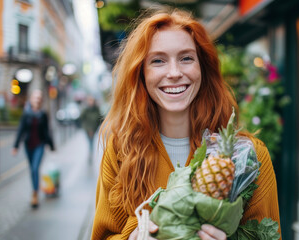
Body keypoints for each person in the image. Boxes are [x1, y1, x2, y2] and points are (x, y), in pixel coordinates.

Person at [91, 9, 281, 240]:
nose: (174, 73)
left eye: (186, 58)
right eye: (158, 60)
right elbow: (103, 235)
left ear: (203, 68)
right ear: (141, 73)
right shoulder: (120, 150)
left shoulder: (248, 157)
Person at [12, 89, 55, 208]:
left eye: (39, 98)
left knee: (35, 168)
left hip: (39, 145)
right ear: (31, 99)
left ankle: (35, 194)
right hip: (28, 145)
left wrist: (52, 146)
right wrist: (16, 146)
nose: (37, 99)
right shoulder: (26, 113)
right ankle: (34, 189)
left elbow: (47, 131)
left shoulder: (43, 114)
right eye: (35, 97)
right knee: (32, 169)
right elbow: (21, 129)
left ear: (41, 101)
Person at [79, 95, 103, 163]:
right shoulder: (86, 109)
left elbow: (100, 118)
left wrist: (96, 128)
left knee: (91, 142)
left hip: (94, 129)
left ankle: (90, 154)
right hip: (87, 129)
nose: (91, 102)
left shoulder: (96, 109)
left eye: (92, 100)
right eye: (89, 100)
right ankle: (90, 154)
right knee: (90, 142)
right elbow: (82, 118)